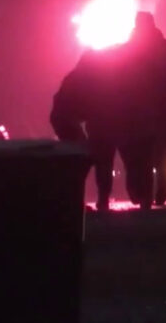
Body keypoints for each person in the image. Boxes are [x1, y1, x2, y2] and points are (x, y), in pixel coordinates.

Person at [121, 12, 166, 208]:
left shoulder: (133, 50)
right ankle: (152, 191)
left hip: (152, 112)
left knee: (148, 154)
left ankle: (148, 192)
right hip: (148, 111)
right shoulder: (165, 49)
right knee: (154, 154)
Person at [51, 45, 127, 211]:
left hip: (76, 122)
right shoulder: (89, 79)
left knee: (87, 160)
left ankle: (80, 198)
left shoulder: (78, 77)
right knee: (91, 161)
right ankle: (96, 199)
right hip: (73, 121)